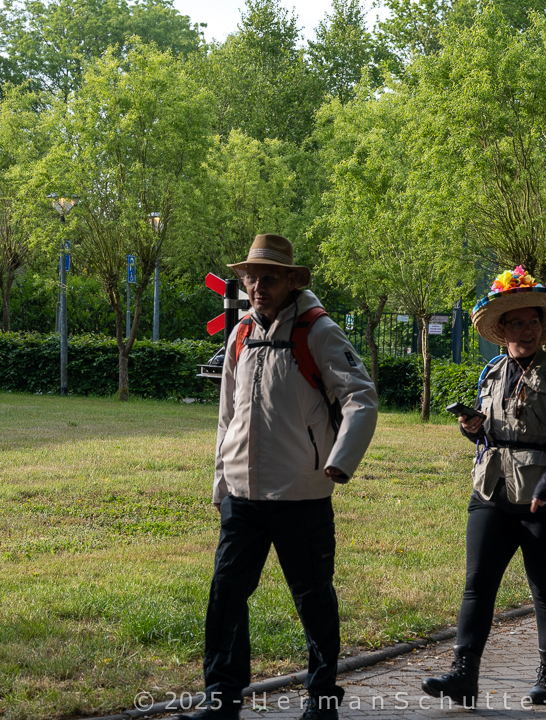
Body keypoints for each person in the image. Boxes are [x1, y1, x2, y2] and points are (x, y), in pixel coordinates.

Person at [178, 234, 379, 720]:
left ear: (292, 281)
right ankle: (221, 701)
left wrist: (341, 460)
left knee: (312, 599)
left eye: (269, 278)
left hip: (300, 493)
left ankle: (322, 699)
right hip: (242, 496)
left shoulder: (319, 330)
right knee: (226, 597)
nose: (258, 287)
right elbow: (227, 414)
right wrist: (221, 479)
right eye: (251, 278)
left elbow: (361, 397)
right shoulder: (241, 332)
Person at [421, 266, 546, 708]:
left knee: (545, 588)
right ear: (502, 330)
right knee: (477, 584)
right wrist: (471, 428)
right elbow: (488, 432)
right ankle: (463, 675)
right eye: (516, 323)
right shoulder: (491, 371)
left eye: (532, 323)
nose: (526, 331)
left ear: (541, 328)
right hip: (491, 492)